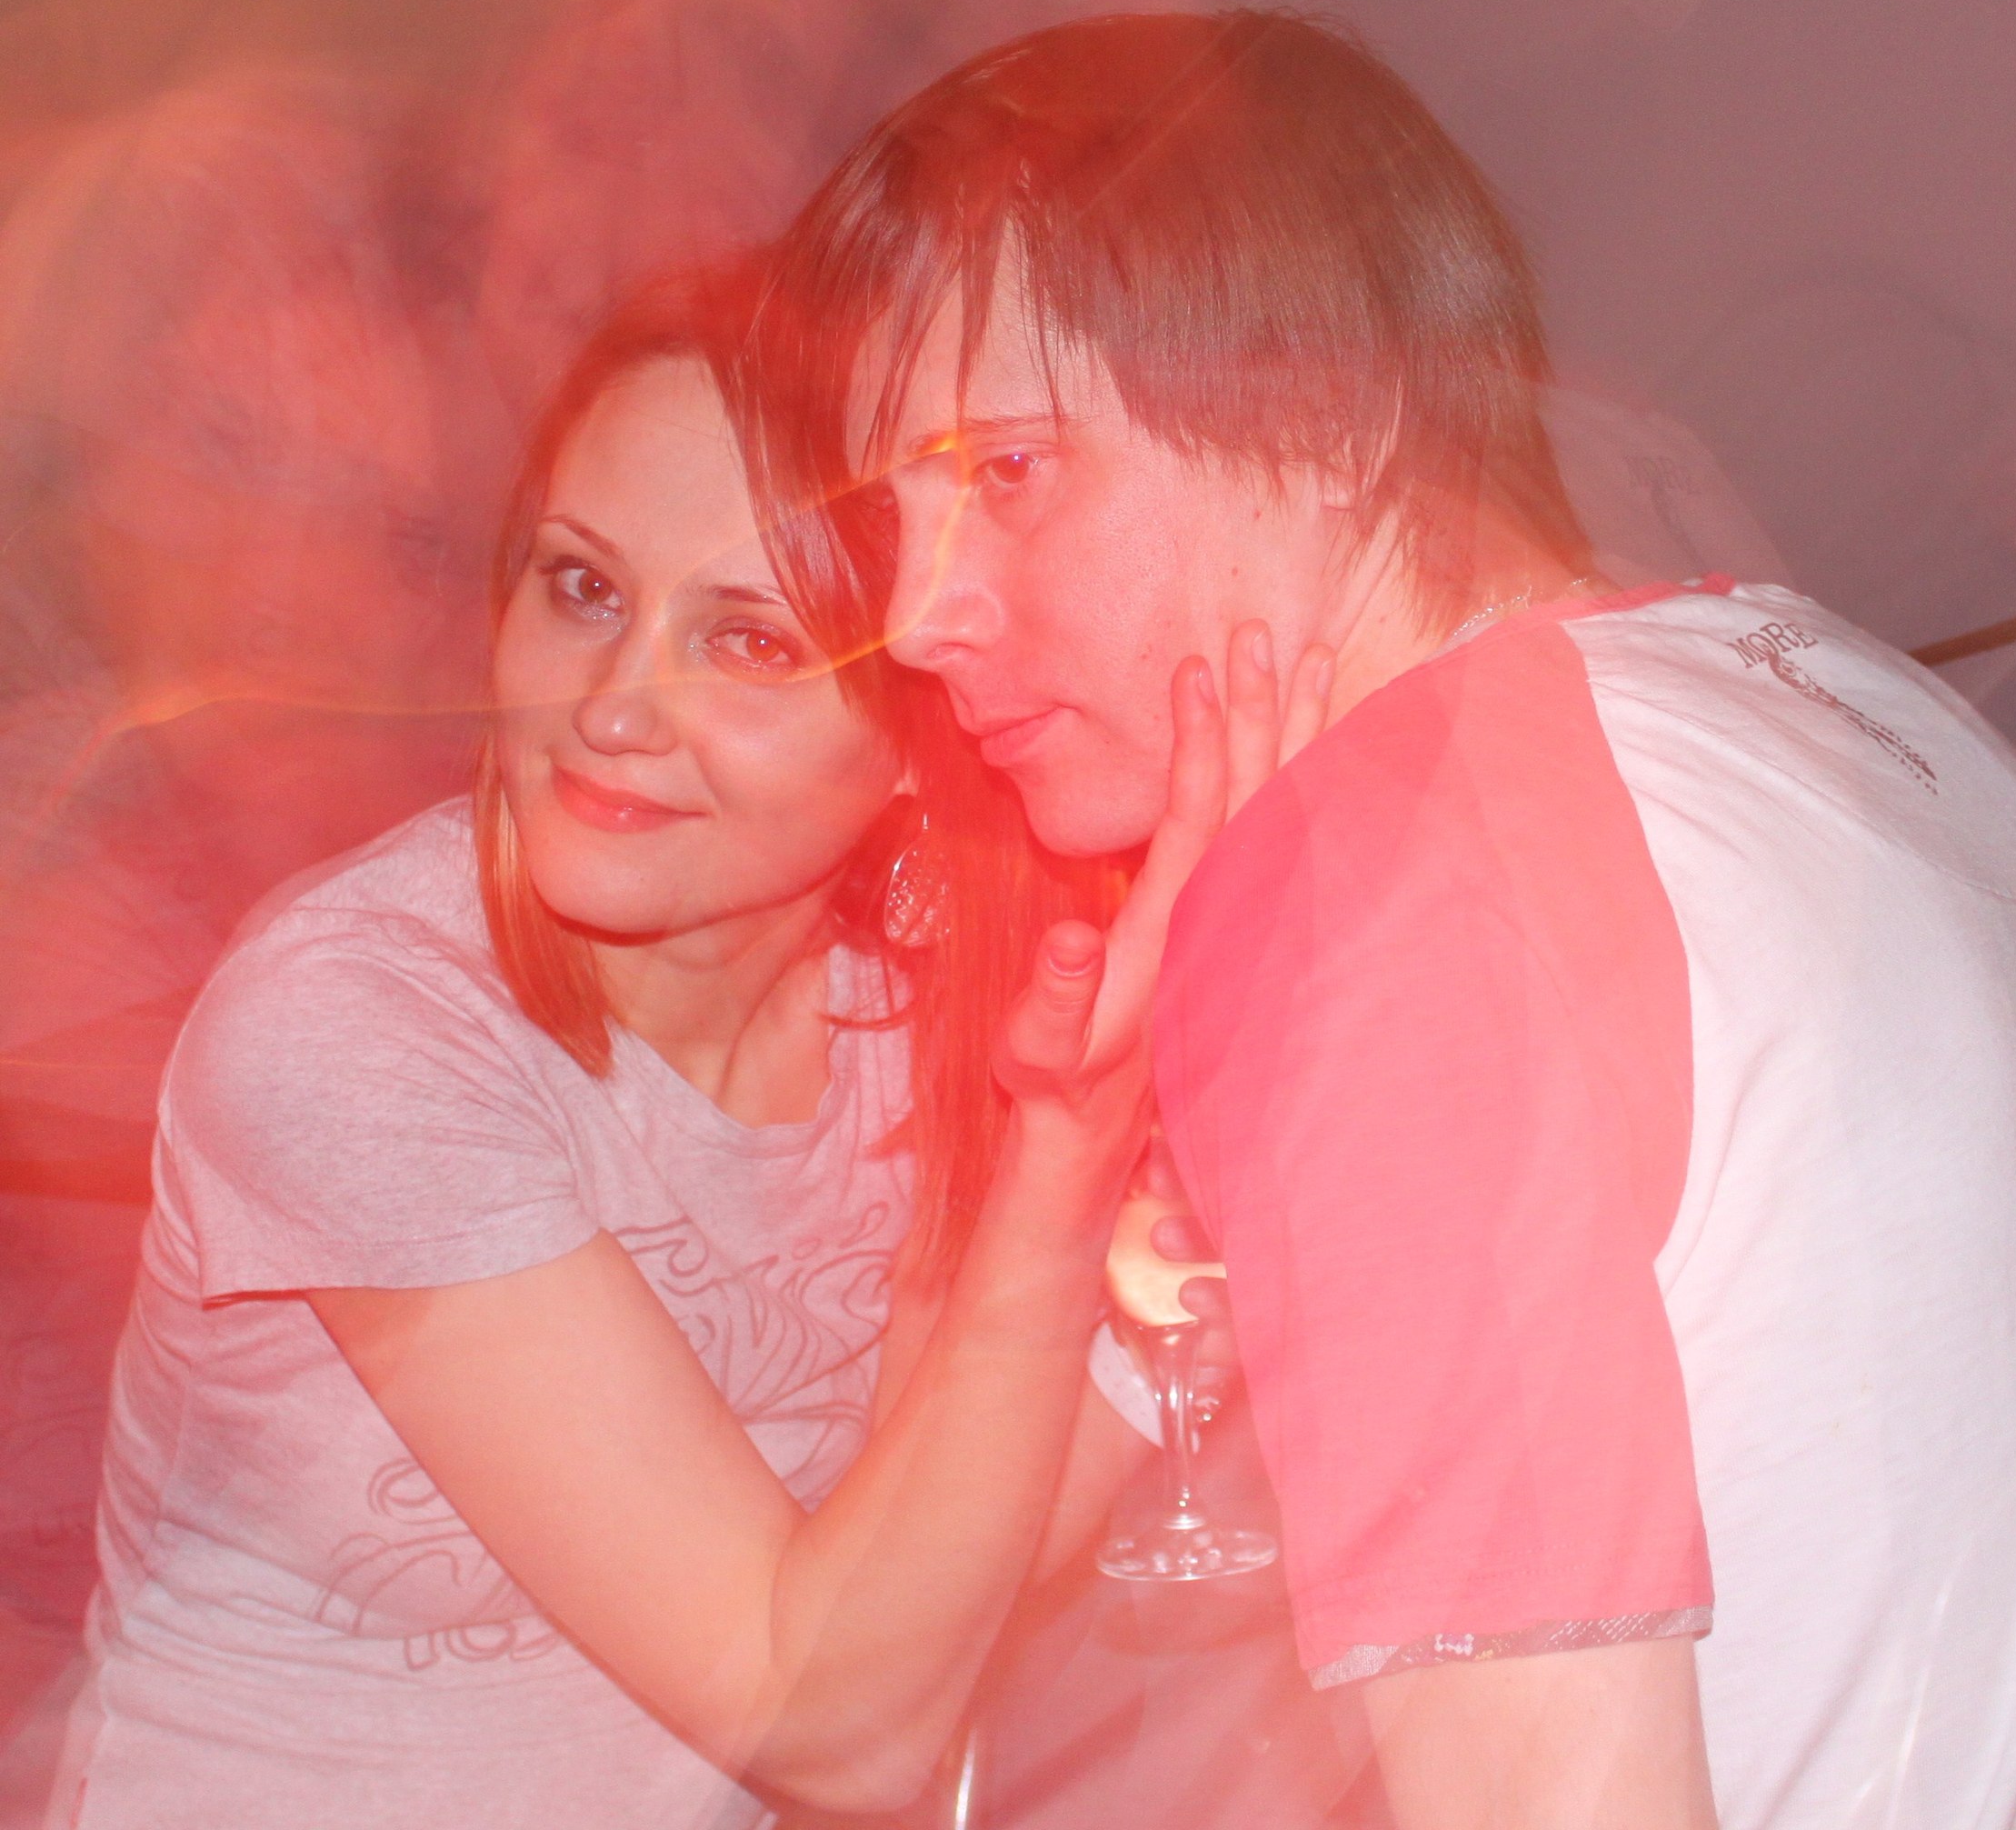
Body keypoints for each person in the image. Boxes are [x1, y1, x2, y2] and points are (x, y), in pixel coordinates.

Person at [768, 8, 2016, 1830]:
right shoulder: (1844, 693)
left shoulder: (1385, 878)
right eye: (893, 514)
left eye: (1008, 471)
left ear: (1330, 412)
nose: (918, 615)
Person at [42, 257, 1281, 1830]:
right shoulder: (357, 1024)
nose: (614, 710)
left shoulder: (924, 1030)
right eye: (583, 589)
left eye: (750, 642)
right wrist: (1066, 1170)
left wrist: (1174, 1286)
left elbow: (926, 1601)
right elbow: (832, 1730)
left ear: (926, 729)